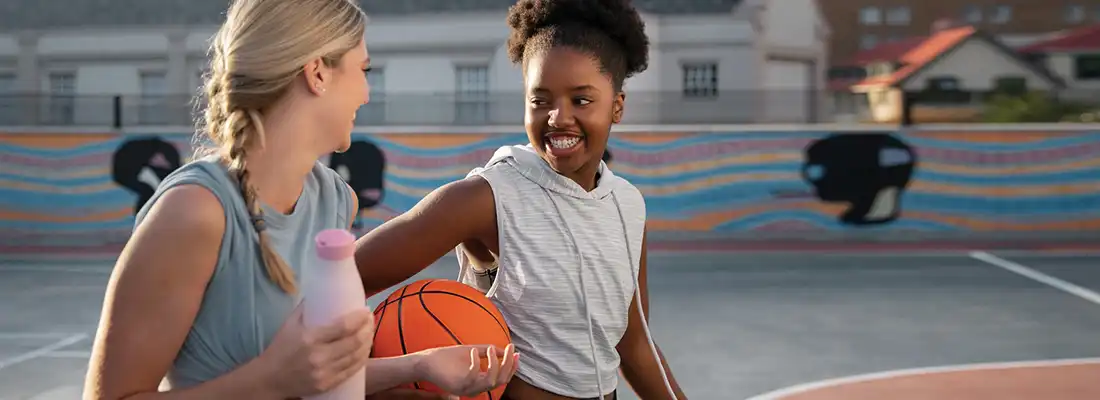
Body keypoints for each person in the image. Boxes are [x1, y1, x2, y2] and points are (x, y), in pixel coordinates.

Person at [81, 0, 517, 399]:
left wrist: (419, 365)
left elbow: (317, 375)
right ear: (318, 73)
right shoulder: (195, 213)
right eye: (363, 71)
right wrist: (270, 380)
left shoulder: (335, 201)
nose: (366, 93)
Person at [352, 0, 687, 399]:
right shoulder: (488, 196)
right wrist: (371, 381)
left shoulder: (628, 206)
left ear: (616, 106)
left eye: (581, 100)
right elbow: (346, 278)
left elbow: (633, 344)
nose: (558, 117)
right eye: (540, 100)